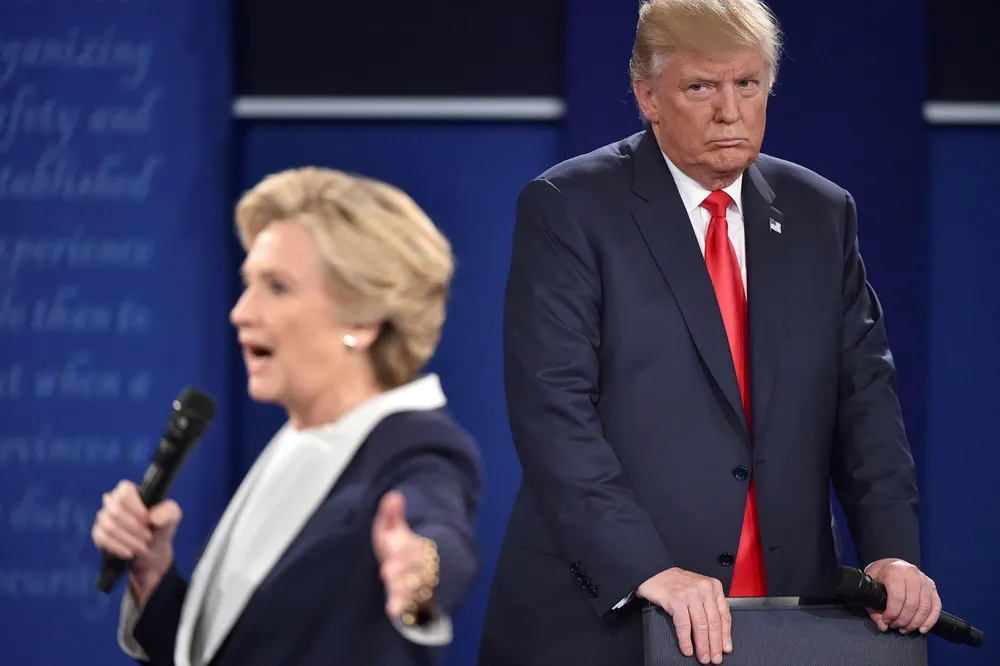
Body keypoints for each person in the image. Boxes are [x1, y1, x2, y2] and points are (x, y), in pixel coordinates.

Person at [479, 1, 941, 664]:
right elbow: (553, 412)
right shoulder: (570, 207)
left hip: (786, 614)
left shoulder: (820, 212)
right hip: (609, 616)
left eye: (747, 84)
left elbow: (865, 398)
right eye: (700, 87)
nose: (729, 112)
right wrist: (647, 567)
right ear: (647, 96)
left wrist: (890, 551)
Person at [91, 167, 483, 666]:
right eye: (247, 283)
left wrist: (421, 570)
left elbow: (438, 526)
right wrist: (153, 574)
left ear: (362, 319)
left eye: (277, 287)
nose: (240, 312)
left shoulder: (418, 445)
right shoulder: (297, 442)